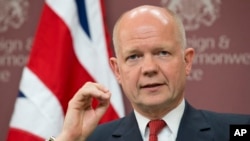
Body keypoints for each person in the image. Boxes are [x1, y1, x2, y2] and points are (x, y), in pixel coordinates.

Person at [53, 5, 250, 141]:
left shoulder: (237, 131)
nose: (149, 68)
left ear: (187, 61)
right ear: (117, 70)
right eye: (134, 57)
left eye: (162, 53)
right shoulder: (88, 140)